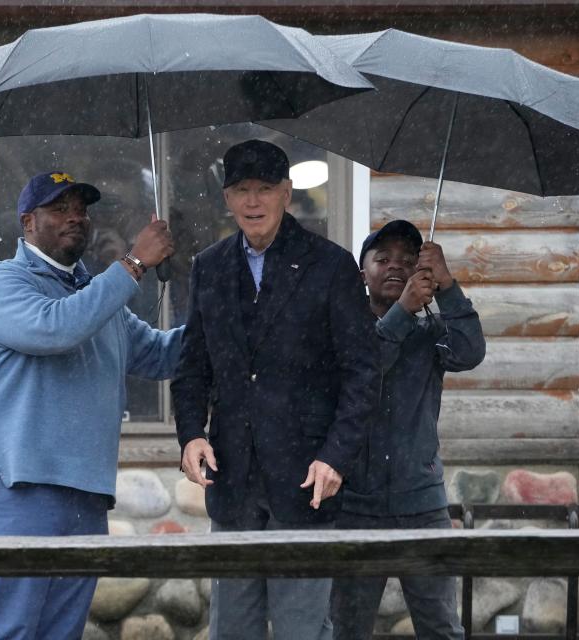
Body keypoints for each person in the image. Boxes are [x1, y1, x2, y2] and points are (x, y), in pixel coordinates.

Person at [0, 170, 182, 640]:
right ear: (27, 222)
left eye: (81, 210)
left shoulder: (98, 297)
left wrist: (236, 315)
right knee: (8, 632)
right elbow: (53, 330)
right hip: (13, 490)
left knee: (60, 634)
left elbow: (160, 355)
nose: (75, 218)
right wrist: (135, 262)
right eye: (59, 209)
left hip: (83, 492)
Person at [172, 139, 380, 640]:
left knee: (301, 629)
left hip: (306, 477)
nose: (253, 201)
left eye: (265, 189)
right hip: (233, 474)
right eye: (241, 189)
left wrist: (336, 456)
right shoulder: (210, 267)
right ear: (226, 198)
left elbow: (363, 372)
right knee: (232, 628)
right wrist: (190, 435)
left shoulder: (330, 265)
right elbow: (192, 365)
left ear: (287, 193)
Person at [330, 220, 486, 640]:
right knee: (347, 627)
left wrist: (449, 286)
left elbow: (470, 352)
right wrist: (402, 311)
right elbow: (364, 370)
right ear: (362, 273)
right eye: (382, 259)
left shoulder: (430, 330)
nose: (395, 267)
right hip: (353, 506)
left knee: (440, 626)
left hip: (421, 501)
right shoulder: (343, 326)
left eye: (407, 260)